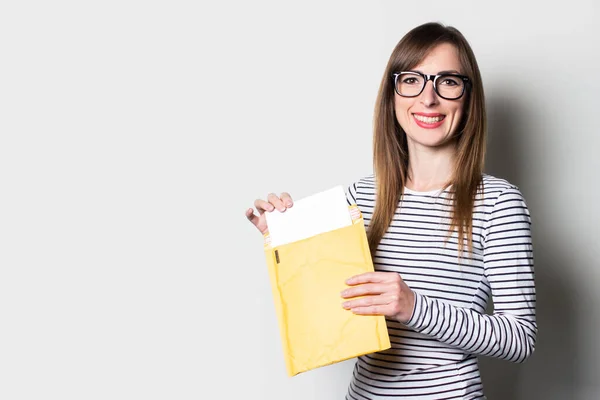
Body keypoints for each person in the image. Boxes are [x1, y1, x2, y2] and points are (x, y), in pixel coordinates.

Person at [245, 22, 536, 399]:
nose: (428, 99)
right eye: (412, 80)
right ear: (393, 93)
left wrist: (413, 306)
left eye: (447, 81)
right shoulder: (361, 196)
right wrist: (286, 238)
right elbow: (331, 309)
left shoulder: (498, 202)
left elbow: (519, 338)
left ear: (468, 97)